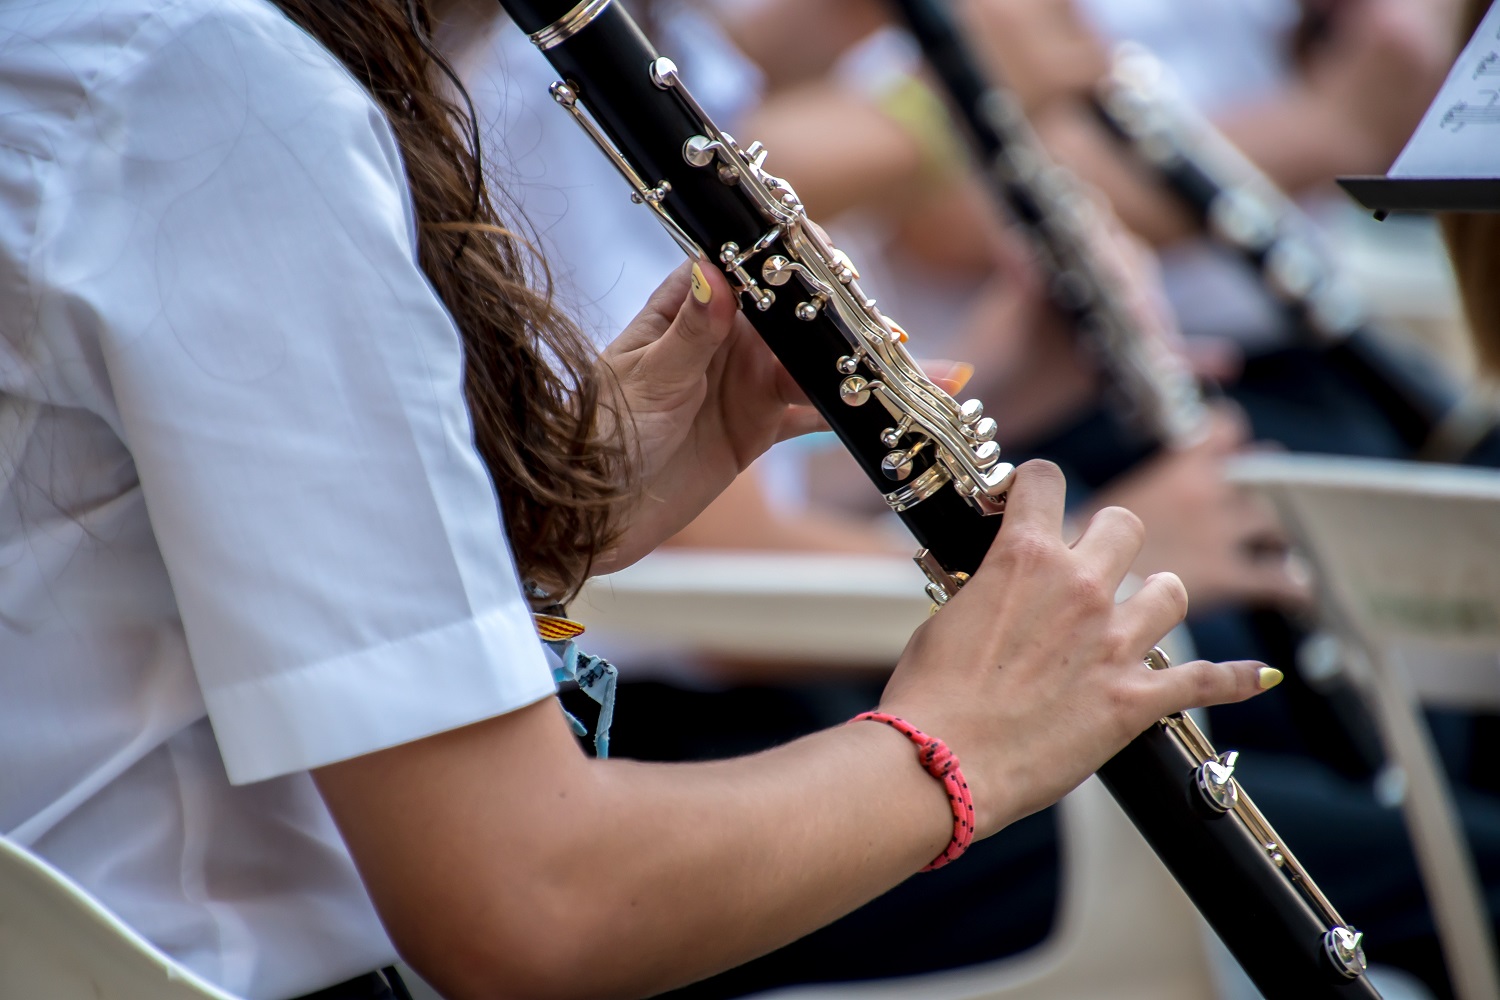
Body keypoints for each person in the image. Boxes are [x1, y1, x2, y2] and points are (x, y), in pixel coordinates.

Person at [0, 2, 1279, 999]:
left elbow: (107, 617)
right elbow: (530, 909)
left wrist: (537, 530)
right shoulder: (204, 91)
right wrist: (966, 742)